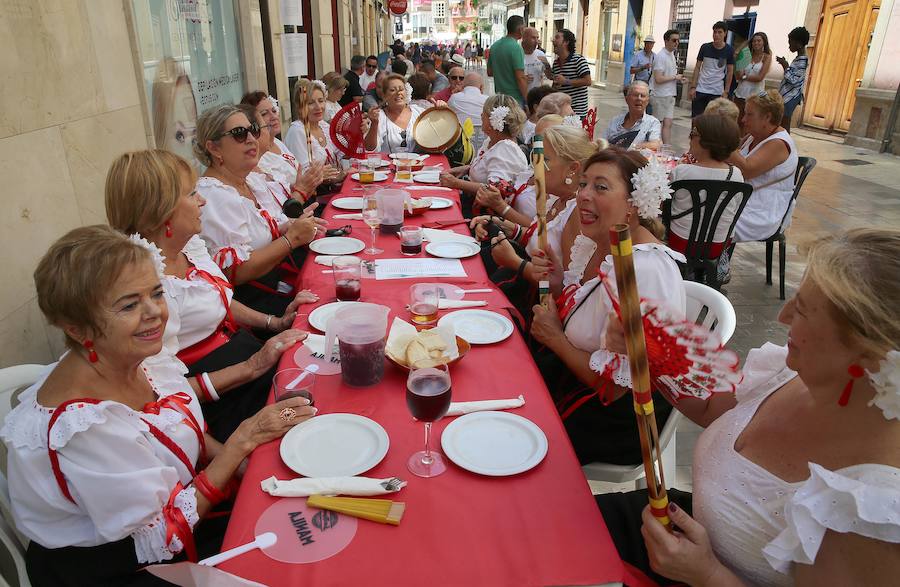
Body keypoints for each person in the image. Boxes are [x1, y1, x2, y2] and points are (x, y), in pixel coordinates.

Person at [1, 225, 317, 585]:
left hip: (184, 511)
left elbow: (182, 428)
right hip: (122, 567)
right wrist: (242, 442)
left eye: (156, 293)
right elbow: (161, 537)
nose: (155, 312)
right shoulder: (84, 429)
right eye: (129, 304)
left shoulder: (131, 356)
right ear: (77, 328)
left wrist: (249, 469)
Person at [596, 227, 900, 585]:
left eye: (801, 310)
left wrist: (707, 573)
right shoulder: (792, 375)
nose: (782, 316)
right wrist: (648, 356)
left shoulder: (871, 508)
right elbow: (711, 408)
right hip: (674, 531)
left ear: (865, 355)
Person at [105, 149, 317, 441]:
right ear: (161, 210)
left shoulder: (188, 246)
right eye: (192, 194)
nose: (202, 200)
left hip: (243, 357)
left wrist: (275, 322)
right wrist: (251, 367)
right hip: (218, 396)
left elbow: (218, 300)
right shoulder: (138, 287)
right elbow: (157, 392)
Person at [528, 147, 684, 465]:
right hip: (571, 384)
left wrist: (555, 339)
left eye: (600, 187)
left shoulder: (643, 271)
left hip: (608, 421)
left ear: (633, 205)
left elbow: (615, 390)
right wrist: (558, 283)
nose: (583, 194)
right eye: (583, 183)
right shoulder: (601, 245)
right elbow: (586, 316)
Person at [194, 104, 325, 316]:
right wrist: (291, 239)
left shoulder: (250, 181)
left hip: (282, 284)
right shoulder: (214, 195)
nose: (251, 139)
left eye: (253, 130)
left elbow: (264, 232)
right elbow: (235, 272)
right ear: (214, 148)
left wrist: (292, 225)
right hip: (258, 305)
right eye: (238, 133)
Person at [667, 113, 744, 260]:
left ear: (705, 141)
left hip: (680, 243)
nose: (689, 138)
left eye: (693, 133)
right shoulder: (737, 175)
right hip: (718, 245)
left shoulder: (681, 172)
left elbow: (666, 207)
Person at [729, 90, 798, 243]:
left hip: (762, 210)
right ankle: (708, 259)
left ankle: (711, 261)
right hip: (746, 199)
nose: (743, 119)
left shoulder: (778, 143)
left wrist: (723, 138)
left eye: (749, 114)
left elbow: (747, 170)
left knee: (712, 220)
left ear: (767, 117)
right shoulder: (755, 135)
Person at [439, 94, 529, 198]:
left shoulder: (506, 149)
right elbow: (488, 166)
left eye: (484, 112)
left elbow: (496, 190)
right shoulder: (492, 141)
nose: (481, 115)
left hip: (484, 212)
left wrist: (456, 183)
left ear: (493, 120)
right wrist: (467, 169)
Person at [240, 91, 323, 200]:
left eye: (274, 111)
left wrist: (313, 177)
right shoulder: (257, 157)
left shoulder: (278, 143)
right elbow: (277, 199)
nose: (273, 116)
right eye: (264, 114)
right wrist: (304, 186)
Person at [284, 79, 347, 184]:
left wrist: (356, 132)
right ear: (300, 107)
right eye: (310, 103)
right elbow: (303, 177)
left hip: (335, 187)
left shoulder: (324, 126)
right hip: (317, 196)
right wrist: (328, 175)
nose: (318, 107)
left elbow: (343, 153)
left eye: (321, 101)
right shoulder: (297, 132)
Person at [364, 74, 425, 153]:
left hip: (417, 164)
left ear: (406, 92)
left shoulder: (419, 112)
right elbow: (369, 148)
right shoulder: (380, 116)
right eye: (393, 90)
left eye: (401, 89)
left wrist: (442, 110)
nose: (398, 93)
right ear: (384, 96)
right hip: (389, 165)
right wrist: (374, 124)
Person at [689, 21, 735, 117]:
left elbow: (730, 71)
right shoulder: (705, 47)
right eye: (714, 32)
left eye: (719, 32)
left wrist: (726, 91)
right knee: (696, 119)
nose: (716, 35)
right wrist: (693, 87)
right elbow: (697, 67)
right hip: (701, 89)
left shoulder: (729, 50)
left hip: (717, 91)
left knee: (713, 122)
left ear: (725, 33)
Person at [602, 81, 662, 150]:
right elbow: (603, 143)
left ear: (647, 101)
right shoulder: (615, 121)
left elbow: (655, 145)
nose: (639, 98)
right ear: (627, 99)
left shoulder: (652, 122)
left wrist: (631, 147)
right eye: (635, 95)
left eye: (642, 96)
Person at [651, 29, 684, 146]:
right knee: (656, 126)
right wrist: (675, 77)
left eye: (678, 40)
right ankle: (654, 148)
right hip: (660, 96)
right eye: (674, 40)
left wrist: (678, 78)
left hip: (669, 95)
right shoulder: (661, 56)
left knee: (668, 124)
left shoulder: (671, 55)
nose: (676, 43)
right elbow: (658, 79)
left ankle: (666, 150)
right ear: (666, 41)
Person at [486, 15, 529, 105]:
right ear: (520, 29)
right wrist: (527, 101)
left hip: (499, 99)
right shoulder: (516, 48)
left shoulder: (494, 46)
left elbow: (489, 72)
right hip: (514, 100)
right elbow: (520, 78)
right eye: (524, 28)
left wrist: (504, 73)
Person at [734, 32, 773, 129]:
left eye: (759, 41)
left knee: (751, 123)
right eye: (754, 41)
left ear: (764, 42)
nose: (756, 43)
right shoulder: (747, 55)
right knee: (739, 122)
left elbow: (760, 77)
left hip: (756, 96)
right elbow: (739, 75)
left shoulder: (767, 57)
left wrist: (744, 77)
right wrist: (741, 54)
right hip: (741, 93)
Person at [550, 29, 592, 118]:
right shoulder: (556, 63)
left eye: (557, 37)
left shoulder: (578, 60)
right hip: (561, 112)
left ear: (566, 42)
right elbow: (556, 85)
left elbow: (588, 81)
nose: (553, 40)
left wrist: (566, 81)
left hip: (577, 113)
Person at [777, 26, 810, 133]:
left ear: (799, 44)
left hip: (790, 97)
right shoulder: (798, 59)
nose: (789, 46)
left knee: (785, 123)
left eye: (790, 43)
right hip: (787, 96)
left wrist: (785, 66)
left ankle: (786, 147)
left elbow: (793, 80)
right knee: (783, 122)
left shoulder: (802, 61)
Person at [522, 27, 551, 92]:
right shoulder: (517, 54)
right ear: (524, 38)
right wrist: (522, 79)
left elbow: (549, 77)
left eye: (537, 38)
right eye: (533, 38)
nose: (536, 41)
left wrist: (547, 65)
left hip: (535, 96)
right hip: (520, 97)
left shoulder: (540, 54)